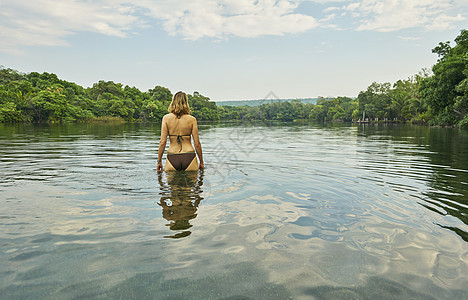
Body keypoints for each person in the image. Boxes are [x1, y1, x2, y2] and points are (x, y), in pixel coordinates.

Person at [157, 91, 204, 172]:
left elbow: (162, 142)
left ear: (173, 101)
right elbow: (197, 144)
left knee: (171, 184)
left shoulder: (166, 118)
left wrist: (159, 161)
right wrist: (201, 162)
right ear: (186, 102)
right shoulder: (192, 119)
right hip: (189, 156)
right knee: (192, 184)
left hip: (172, 156)